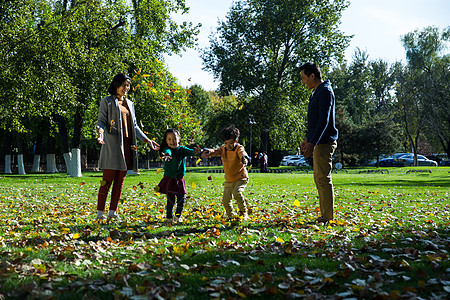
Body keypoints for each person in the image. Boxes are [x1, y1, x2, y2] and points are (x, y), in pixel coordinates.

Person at [96, 73, 159, 221]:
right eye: (124, 85)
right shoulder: (107, 101)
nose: (126, 88)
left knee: (120, 181)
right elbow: (101, 121)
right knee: (107, 180)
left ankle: (112, 212)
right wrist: (100, 134)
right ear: (116, 85)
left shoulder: (130, 104)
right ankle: (100, 212)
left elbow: (134, 126)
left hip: (127, 145)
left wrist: (147, 140)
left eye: (128, 85)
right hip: (112, 145)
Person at [299, 62, 338, 223]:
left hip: (324, 143)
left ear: (312, 76)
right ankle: (325, 215)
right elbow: (315, 122)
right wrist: (308, 139)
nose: (303, 81)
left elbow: (324, 120)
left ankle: (327, 217)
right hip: (317, 142)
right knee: (319, 179)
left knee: (323, 179)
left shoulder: (325, 92)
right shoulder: (316, 92)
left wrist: (312, 142)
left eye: (303, 77)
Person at [202, 125, 251, 221]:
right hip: (229, 180)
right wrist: (208, 152)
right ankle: (230, 215)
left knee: (237, 193)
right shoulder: (224, 149)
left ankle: (243, 212)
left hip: (240, 178)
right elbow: (215, 151)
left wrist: (244, 158)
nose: (228, 145)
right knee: (225, 200)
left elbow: (242, 153)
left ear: (236, 141)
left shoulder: (238, 148)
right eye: (226, 143)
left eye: (231, 143)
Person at [157, 128, 201, 224]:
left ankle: (178, 216)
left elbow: (190, 151)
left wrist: (197, 152)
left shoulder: (182, 149)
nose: (172, 141)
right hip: (169, 179)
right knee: (170, 200)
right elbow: (168, 151)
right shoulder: (167, 149)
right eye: (169, 139)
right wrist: (167, 155)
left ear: (179, 139)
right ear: (166, 141)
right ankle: (169, 217)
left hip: (180, 179)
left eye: (174, 138)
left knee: (181, 199)